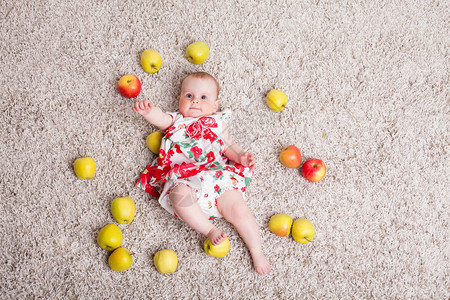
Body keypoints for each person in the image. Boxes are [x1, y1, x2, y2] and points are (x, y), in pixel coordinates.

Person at [134, 72, 270, 274]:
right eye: (188, 96)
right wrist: (149, 112)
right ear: (179, 100)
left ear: (215, 105)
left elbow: (229, 146)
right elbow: (160, 118)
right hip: (184, 178)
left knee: (239, 210)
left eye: (203, 97)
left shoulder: (217, 123)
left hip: (216, 177)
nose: (195, 100)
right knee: (178, 195)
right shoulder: (177, 120)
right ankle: (209, 230)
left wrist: (241, 156)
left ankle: (257, 251)